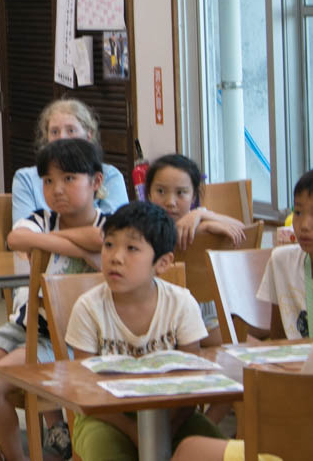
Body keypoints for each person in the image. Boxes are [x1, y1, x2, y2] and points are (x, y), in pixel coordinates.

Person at [0, 138, 109, 461]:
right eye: (48, 181)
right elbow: (17, 238)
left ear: (96, 181)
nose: (57, 189)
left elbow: (101, 240)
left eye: (69, 179)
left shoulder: (109, 226)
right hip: (25, 327)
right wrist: (76, 246)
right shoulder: (42, 218)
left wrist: (49, 243)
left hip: (72, 341)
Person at [66, 202, 223, 460]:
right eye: (109, 245)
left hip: (171, 413)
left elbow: (192, 385)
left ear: (162, 263)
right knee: (103, 448)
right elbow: (85, 389)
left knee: (218, 448)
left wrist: (166, 428)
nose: (115, 257)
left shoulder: (181, 303)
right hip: (104, 415)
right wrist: (131, 430)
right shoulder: (89, 308)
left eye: (131, 248)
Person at [146, 153, 247, 347]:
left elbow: (242, 230)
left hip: (208, 322)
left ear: (194, 196)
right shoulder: (143, 228)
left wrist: (202, 214)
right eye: (160, 191)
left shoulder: (199, 219)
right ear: (148, 194)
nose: (170, 202)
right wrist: (204, 226)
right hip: (163, 326)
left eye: (181, 193)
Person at [12, 97, 129, 223]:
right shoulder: (26, 178)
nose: (62, 137)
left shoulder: (109, 175)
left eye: (71, 130)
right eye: (55, 131)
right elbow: (23, 237)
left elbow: (114, 232)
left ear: (88, 136)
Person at [257, 169, 313, 340]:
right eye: (298, 212)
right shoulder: (281, 261)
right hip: (297, 365)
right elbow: (278, 339)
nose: (304, 225)